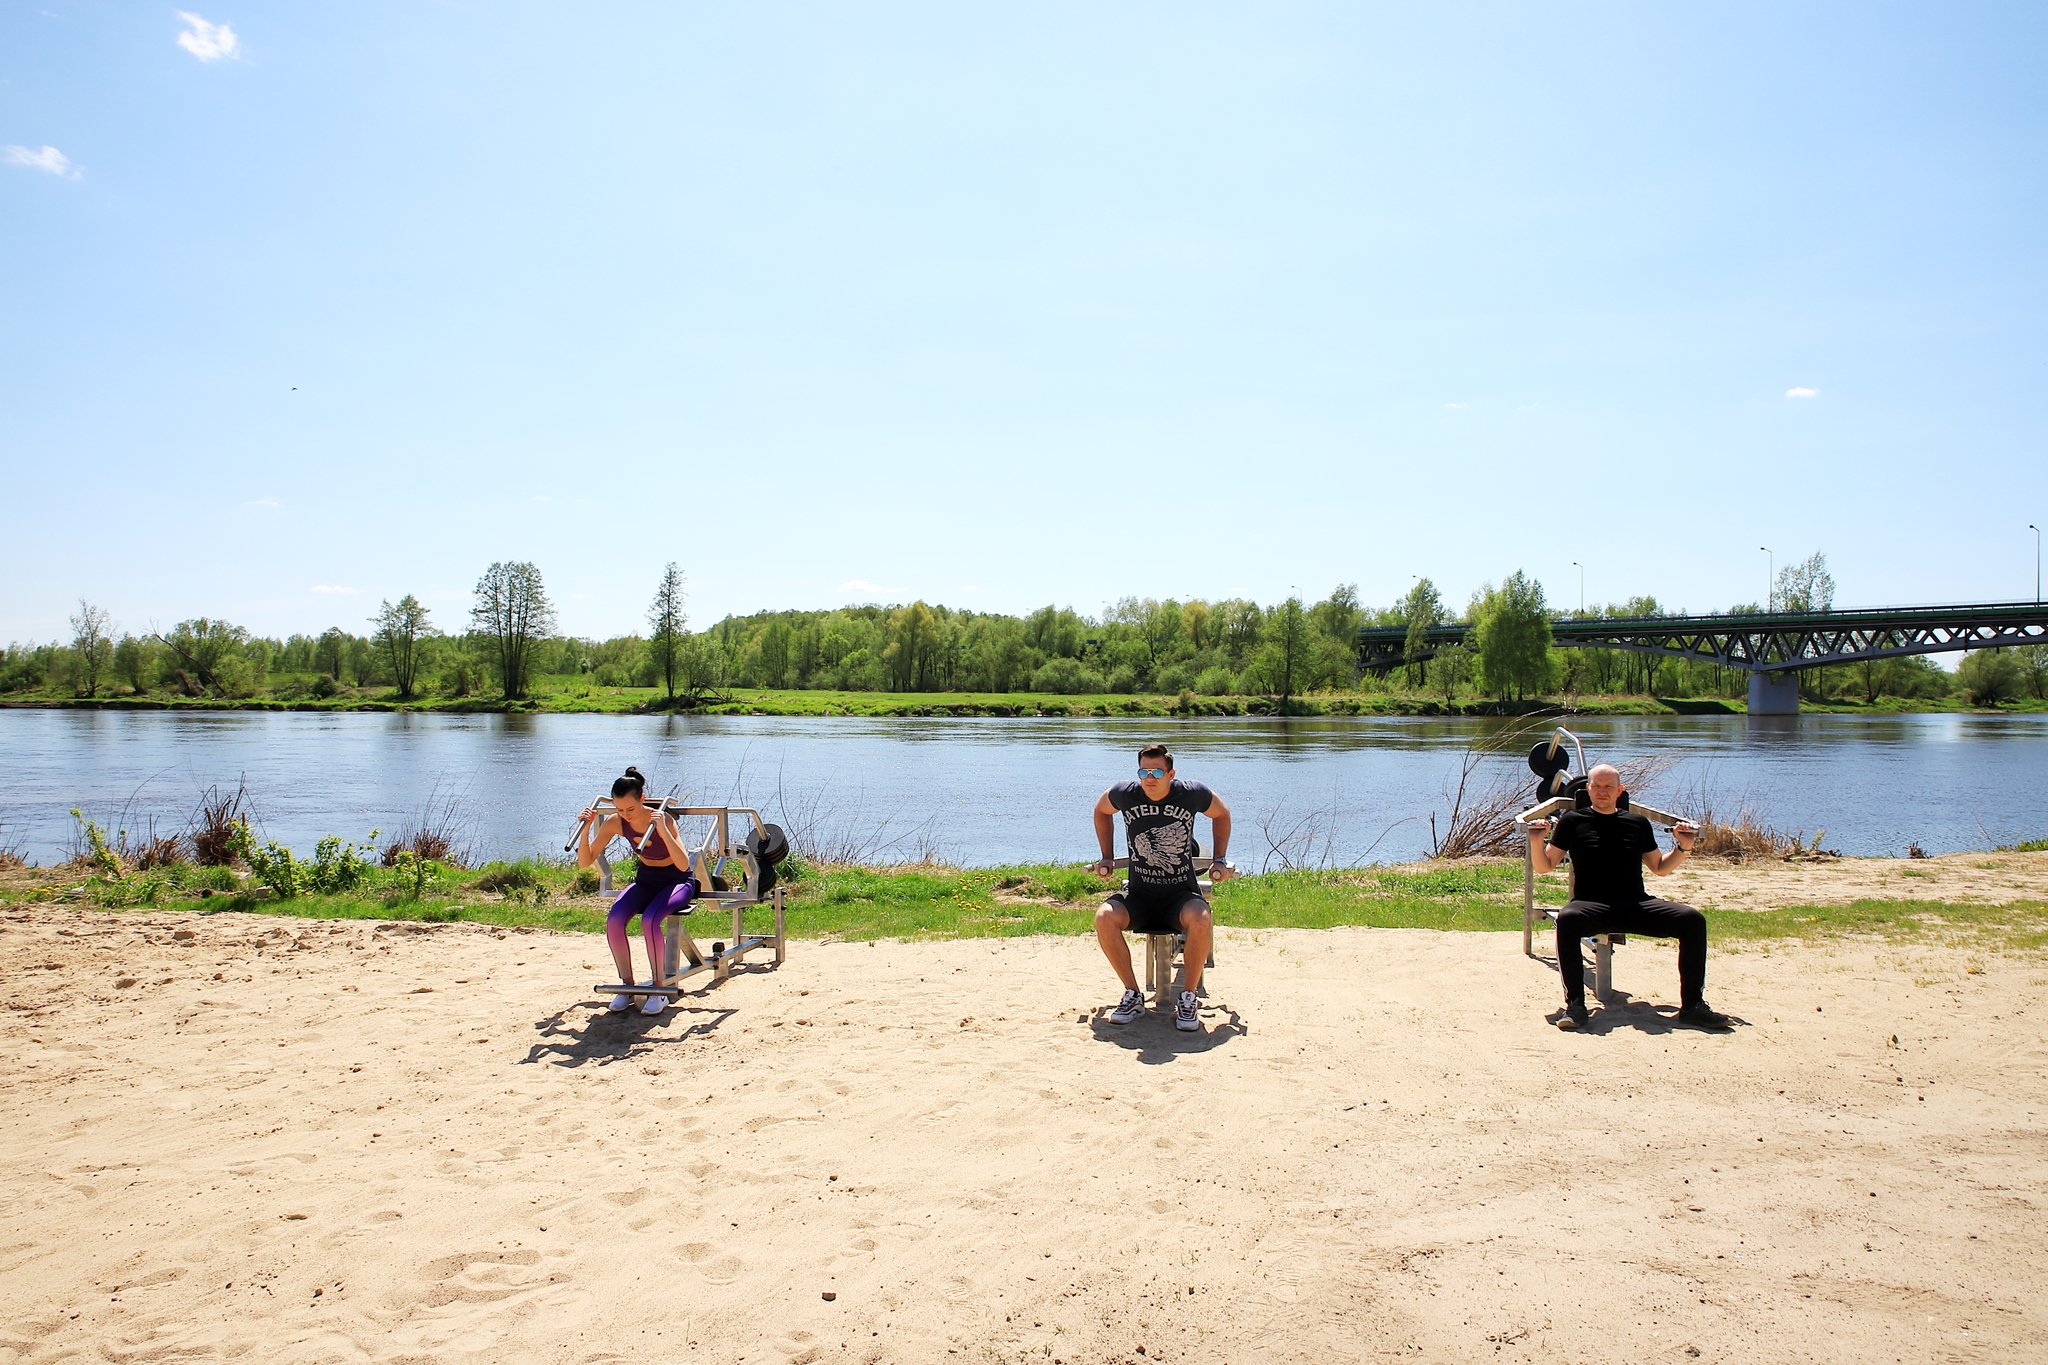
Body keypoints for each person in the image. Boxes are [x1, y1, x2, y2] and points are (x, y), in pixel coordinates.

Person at [1525, 763, 1731, 1032]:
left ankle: (1693, 1007)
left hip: (1635, 903)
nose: (1602, 792)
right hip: (1591, 904)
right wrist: (1536, 841)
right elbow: (1544, 866)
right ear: (1588, 789)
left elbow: (1659, 867)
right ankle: (1575, 1006)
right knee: (1567, 919)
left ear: (1619, 790)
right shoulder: (1572, 821)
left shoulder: (1637, 823)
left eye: (1608, 787)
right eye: (1597, 786)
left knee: (1692, 919)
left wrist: (1683, 847)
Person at [1089, 744, 1233, 1032]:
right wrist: (1107, 855)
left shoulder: (1191, 793)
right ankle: (1133, 995)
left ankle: (1188, 998)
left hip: (1179, 896)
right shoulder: (1125, 793)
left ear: (1171, 774)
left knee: (1201, 917)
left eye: (1156, 772)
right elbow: (1101, 810)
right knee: (1104, 917)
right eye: (1144, 772)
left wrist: (1219, 859)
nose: (1149, 778)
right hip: (1140, 897)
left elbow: (1221, 814)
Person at [576, 766, 697, 1016]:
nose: (626, 815)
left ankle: (659, 989)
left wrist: (663, 830)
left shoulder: (663, 819)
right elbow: (585, 861)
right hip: (646, 880)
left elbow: (683, 864)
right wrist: (586, 828)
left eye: (630, 809)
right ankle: (627, 986)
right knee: (614, 919)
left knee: (649, 920)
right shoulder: (616, 822)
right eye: (620, 809)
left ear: (642, 799)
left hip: (677, 881)